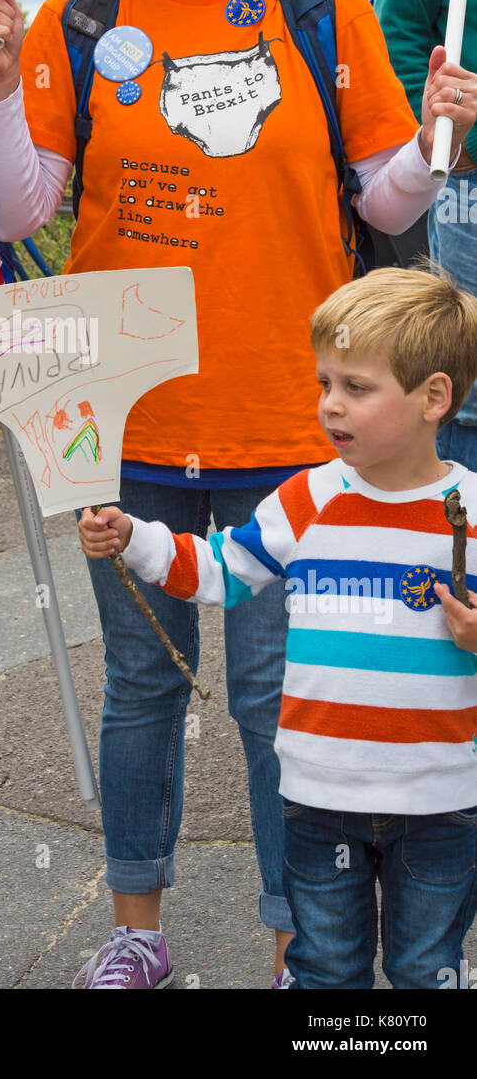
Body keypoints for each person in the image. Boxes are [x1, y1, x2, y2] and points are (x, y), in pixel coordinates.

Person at [0, 0, 477, 988]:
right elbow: (17, 211)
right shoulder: (78, 18)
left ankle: (297, 930)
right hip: (123, 418)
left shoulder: (318, 2)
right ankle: (136, 926)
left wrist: (433, 133)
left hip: (295, 422)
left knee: (273, 702)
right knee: (139, 689)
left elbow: (380, 192)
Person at [80, 266, 477, 989]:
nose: (331, 406)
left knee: (428, 970)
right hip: (319, 797)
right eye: (325, 383)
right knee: (324, 969)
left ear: (434, 397)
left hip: (440, 802)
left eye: (357, 388)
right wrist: (134, 535)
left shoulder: (471, 511)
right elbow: (219, 571)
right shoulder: (307, 498)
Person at [374, 0, 477, 468]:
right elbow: (399, 27)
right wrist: (456, 145)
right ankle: (462, 541)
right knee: (469, 385)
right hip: (470, 183)